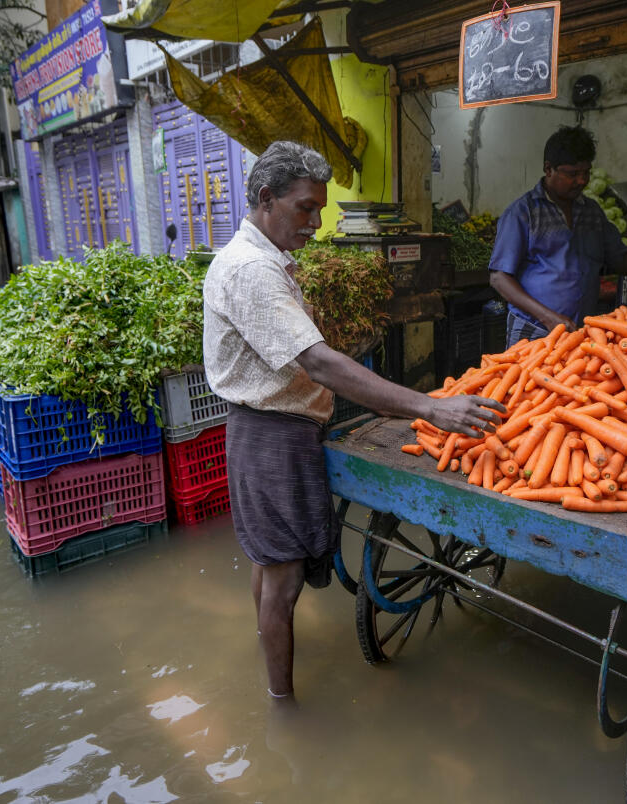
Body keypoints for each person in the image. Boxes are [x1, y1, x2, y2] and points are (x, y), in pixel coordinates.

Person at [202, 141, 505, 702]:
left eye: (320, 209)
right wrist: (430, 406)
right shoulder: (251, 271)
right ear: (266, 199)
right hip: (272, 436)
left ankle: (269, 646)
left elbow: (307, 355)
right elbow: (315, 361)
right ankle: (282, 702)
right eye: (305, 208)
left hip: (269, 429)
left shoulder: (262, 259)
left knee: (269, 561)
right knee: (283, 573)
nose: (316, 223)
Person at [488, 126, 627, 349]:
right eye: (572, 174)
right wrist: (548, 318)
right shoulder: (523, 213)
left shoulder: (592, 212)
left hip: (580, 333)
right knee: (525, 384)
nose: (582, 181)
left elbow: (622, 262)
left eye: (586, 172)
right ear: (549, 170)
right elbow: (499, 278)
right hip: (533, 330)